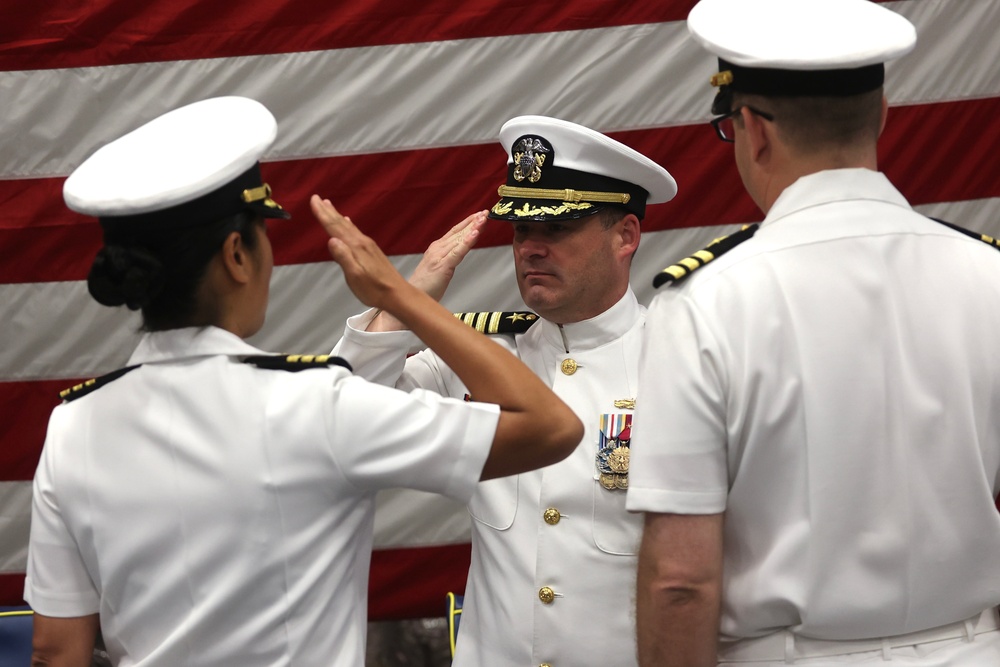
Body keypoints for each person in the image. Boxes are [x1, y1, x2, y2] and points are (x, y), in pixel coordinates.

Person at [24, 96, 582, 667]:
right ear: (237, 254)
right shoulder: (310, 405)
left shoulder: (74, 425)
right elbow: (550, 427)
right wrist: (399, 295)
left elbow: (54, 651)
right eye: (264, 233)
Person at [626, 1, 1000, 665]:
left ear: (753, 130)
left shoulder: (707, 303)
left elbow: (680, 579)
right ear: (882, 114)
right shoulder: (989, 275)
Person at [334, 115, 677, 666]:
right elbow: (342, 417)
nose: (531, 248)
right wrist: (406, 301)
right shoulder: (482, 357)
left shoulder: (680, 358)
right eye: (521, 230)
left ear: (626, 236)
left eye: (556, 229)